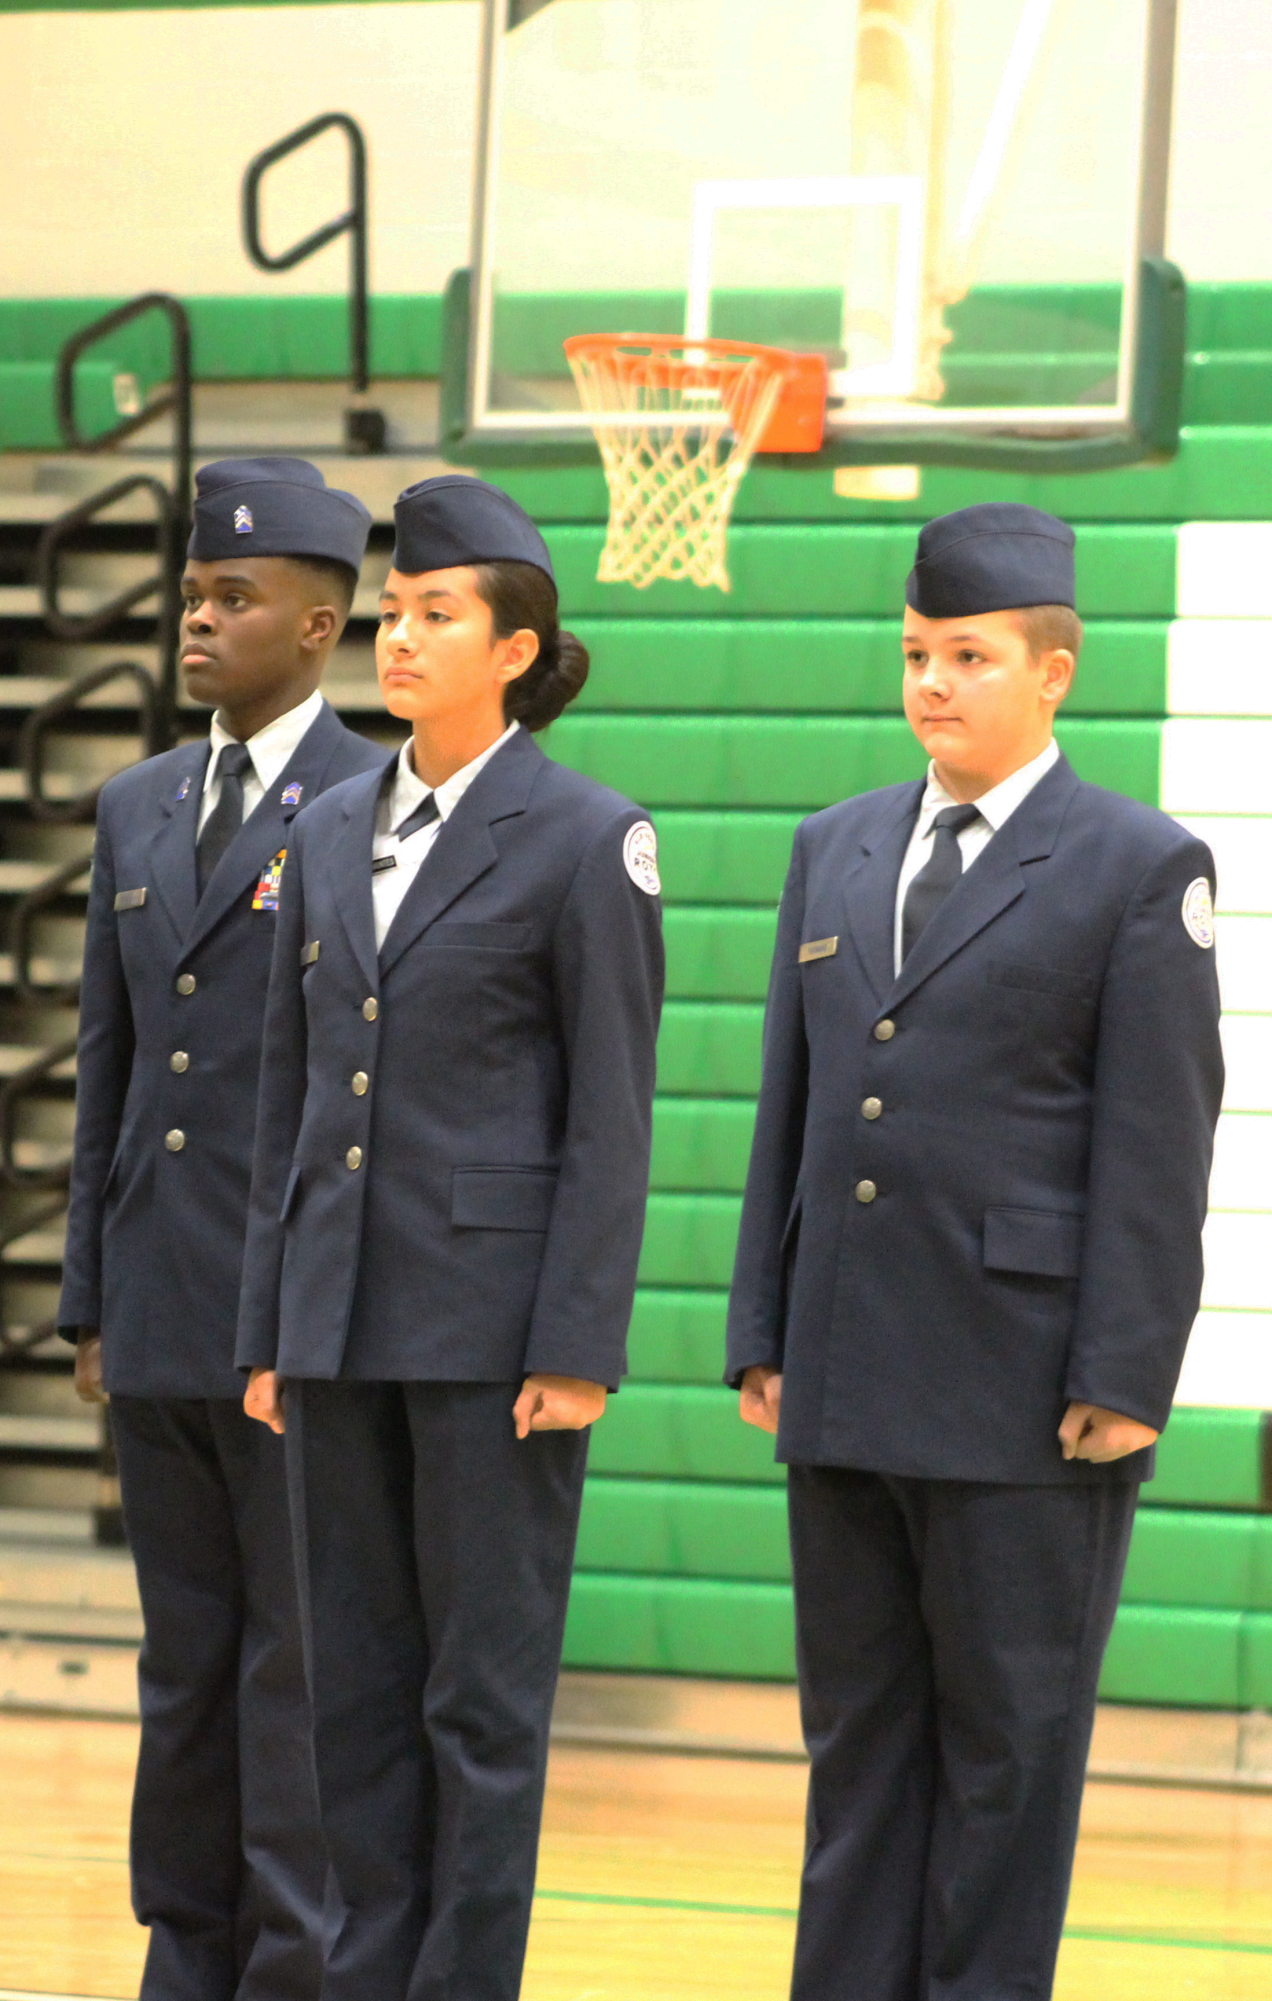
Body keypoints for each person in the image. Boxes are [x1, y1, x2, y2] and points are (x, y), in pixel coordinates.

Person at [726, 502, 1223, 2001]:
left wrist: (1125, 1370)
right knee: (858, 1745)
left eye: (969, 655)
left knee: (1005, 1760)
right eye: (915, 654)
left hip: (1023, 1390)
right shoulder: (833, 847)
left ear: (1053, 671)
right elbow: (790, 1108)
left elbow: (1156, 1146)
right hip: (846, 1369)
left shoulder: (1136, 865)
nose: (932, 682)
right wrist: (762, 1324)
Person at [235, 473, 664, 2001]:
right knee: (350, 1693)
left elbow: (610, 1116)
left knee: (475, 1708)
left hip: (493, 1339)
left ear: (515, 646)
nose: (397, 638)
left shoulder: (586, 837)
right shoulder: (329, 821)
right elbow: (290, 1090)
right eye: (394, 612)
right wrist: (271, 1327)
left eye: (434, 616)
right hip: (338, 1324)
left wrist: (576, 1347)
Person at [59, 456, 386, 2001]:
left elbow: (354, 1083)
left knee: (294, 1671)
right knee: (183, 1664)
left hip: (290, 1314)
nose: (199, 620)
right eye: (192, 593)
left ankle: (291, 1968)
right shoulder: (134, 805)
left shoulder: (376, 805)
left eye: (234, 598)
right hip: (162, 1302)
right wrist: (88, 1303)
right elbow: (109, 1070)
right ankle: (183, 1955)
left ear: (318, 627)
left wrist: (315, 1311)